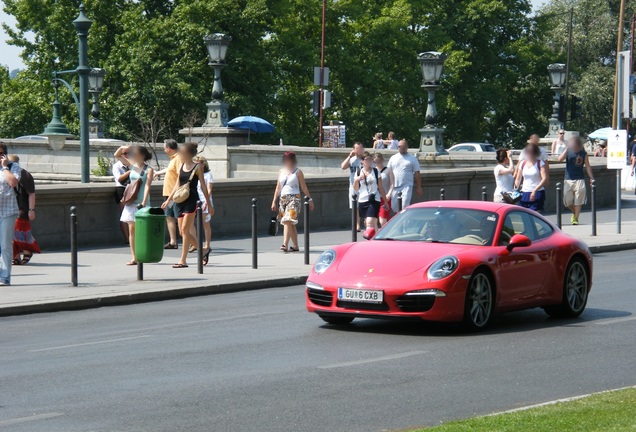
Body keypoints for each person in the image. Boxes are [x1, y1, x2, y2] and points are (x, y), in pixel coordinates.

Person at [162, 144, 212, 268]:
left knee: (185, 229)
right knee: (182, 231)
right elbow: (177, 184)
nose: (179, 155)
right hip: (180, 201)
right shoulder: (181, 166)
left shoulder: (198, 167)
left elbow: (203, 187)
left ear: (189, 154)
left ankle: (183, 260)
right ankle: (203, 250)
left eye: (182, 153)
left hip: (192, 200)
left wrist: (209, 204)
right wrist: (168, 200)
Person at [115, 145, 154, 265]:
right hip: (131, 201)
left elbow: (148, 185)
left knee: (141, 230)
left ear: (141, 155)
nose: (132, 155)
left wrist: (144, 201)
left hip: (142, 202)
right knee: (132, 229)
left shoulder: (149, 169)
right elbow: (117, 155)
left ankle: (143, 253)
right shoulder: (132, 165)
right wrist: (124, 147)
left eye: (134, 153)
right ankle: (134, 257)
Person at [271, 152, 314, 252]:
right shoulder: (281, 171)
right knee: (291, 223)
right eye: (286, 159)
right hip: (283, 198)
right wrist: (274, 201)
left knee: (287, 220)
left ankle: (284, 244)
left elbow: (303, 187)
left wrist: (310, 199)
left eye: (289, 159)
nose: (287, 162)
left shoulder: (298, 172)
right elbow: (278, 187)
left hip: (294, 198)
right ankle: (295, 246)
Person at [8, 155, 39, 266]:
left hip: (21, 209)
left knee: (19, 233)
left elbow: (31, 193)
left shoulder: (24, 175)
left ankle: (27, 251)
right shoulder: (7, 173)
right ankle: (16, 256)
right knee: (11, 233)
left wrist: (31, 209)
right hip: (9, 207)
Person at [558, 136, 594, 225]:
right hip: (568, 178)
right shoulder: (568, 151)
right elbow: (559, 159)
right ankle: (574, 212)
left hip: (579, 179)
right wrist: (566, 148)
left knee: (579, 200)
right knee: (567, 201)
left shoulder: (583, 153)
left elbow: (588, 166)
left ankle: (576, 218)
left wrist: (591, 178)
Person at [187, 156, 214, 266]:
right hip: (196, 201)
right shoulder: (196, 175)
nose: (198, 165)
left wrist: (207, 203)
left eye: (199, 163)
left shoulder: (208, 175)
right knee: (190, 223)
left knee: (205, 224)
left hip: (204, 201)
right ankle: (196, 242)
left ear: (204, 164)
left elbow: (209, 189)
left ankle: (207, 244)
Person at [353, 151, 388, 236]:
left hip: (374, 199)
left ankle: (369, 239)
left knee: (370, 221)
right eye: (367, 159)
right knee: (370, 222)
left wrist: (385, 201)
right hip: (363, 199)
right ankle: (375, 238)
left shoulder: (376, 171)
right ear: (362, 161)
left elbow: (380, 187)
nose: (369, 161)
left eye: (370, 160)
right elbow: (356, 188)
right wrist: (357, 179)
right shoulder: (358, 172)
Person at [0, 143, 20, 285]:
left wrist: (5, 167)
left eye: (1, 153)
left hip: (8, 211)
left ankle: (5, 277)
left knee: (5, 245)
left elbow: (13, 182)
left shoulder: (13, 167)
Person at [154, 139, 180, 249]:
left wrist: (171, 197)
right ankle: (173, 241)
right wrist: (157, 173)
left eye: (164, 148)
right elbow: (170, 170)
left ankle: (192, 243)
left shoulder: (178, 158)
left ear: (168, 148)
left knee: (180, 218)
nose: (164, 150)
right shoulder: (174, 158)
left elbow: (180, 175)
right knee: (169, 216)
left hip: (174, 194)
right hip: (169, 193)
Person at [387, 139, 422, 211]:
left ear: (407, 147)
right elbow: (388, 171)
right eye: (399, 146)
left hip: (407, 185)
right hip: (395, 186)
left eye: (402, 146)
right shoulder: (393, 158)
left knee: (404, 206)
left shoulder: (412, 158)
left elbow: (417, 173)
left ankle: (405, 221)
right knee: (395, 208)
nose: (401, 148)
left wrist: (419, 187)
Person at [514, 142, 548, 213]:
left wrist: (535, 190)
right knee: (524, 216)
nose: (529, 154)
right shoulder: (522, 163)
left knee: (535, 215)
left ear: (535, 153)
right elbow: (518, 178)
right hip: (525, 192)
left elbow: (544, 178)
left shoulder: (540, 163)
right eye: (528, 152)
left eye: (531, 152)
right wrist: (514, 190)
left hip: (537, 192)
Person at [341, 142, 364, 231]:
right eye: (357, 148)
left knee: (365, 204)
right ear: (353, 149)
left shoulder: (365, 159)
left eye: (360, 148)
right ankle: (357, 225)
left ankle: (366, 223)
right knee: (355, 205)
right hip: (353, 184)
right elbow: (343, 167)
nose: (359, 150)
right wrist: (350, 156)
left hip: (364, 185)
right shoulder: (352, 159)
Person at [112, 155, 130, 243]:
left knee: (130, 214)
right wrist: (129, 172)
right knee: (124, 214)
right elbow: (119, 178)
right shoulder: (117, 166)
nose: (127, 156)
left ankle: (131, 237)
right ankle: (127, 238)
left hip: (130, 188)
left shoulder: (130, 165)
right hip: (121, 189)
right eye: (125, 154)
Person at [373, 152, 392, 226]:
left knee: (383, 219)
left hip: (384, 198)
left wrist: (389, 193)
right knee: (373, 219)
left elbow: (392, 183)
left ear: (382, 160)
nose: (377, 163)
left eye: (379, 161)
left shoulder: (388, 170)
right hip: (374, 197)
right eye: (376, 161)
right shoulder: (372, 170)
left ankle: (385, 234)